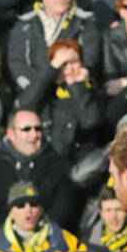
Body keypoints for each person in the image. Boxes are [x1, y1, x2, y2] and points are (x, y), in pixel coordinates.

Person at [0, 108, 83, 237]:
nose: (34, 135)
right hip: (2, 243)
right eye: (26, 129)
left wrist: (38, 236)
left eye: (38, 129)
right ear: (10, 133)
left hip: (49, 241)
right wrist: (9, 236)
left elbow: (64, 210)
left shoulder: (58, 166)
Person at [17, 39, 104, 168]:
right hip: (46, 159)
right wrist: (51, 69)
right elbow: (26, 104)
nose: (69, 69)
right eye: (63, 64)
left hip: (77, 162)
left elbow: (90, 121)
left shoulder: (89, 90)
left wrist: (77, 86)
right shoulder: (43, 92)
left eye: (74, 62)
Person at [8, 0, 101, 92]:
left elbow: (90, 60)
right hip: (33, 91)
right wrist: (38, 87)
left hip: (74, 90)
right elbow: (17, 64)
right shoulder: (24, 25)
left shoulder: (85, 23)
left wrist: (76, 79)